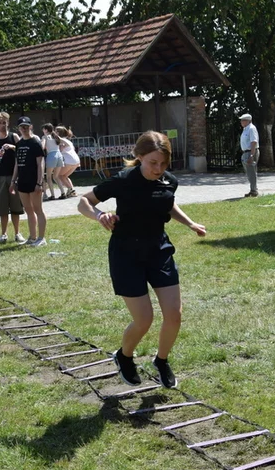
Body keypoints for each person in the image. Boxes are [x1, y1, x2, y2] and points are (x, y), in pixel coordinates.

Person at [76, 131, 207, 388]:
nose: (158, 169)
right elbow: (84, 202)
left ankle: (161, 360)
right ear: (139, 157)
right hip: (127, 255)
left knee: (174, 315)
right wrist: (99, 215)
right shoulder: (124, 180)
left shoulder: (169, 181)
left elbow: (167, 204)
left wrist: (190, 223)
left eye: (163, 163)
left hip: (159, 251)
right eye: (152, 163)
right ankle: (124, 356)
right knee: (144, 319)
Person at [0, 112, 25, 244]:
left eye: (4, 122)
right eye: (0, 123)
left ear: (8, 123)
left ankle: (18, 233)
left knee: (16, 206)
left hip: (14, 176)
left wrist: (13, 147)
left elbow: (22, 150)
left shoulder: (14, 136)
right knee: (2, 207)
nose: (2, 125)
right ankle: (3, 234)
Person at [10, 117, 47, 247]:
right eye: (21, 126)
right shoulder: (19, 144)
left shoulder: (35, 142)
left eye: (26, 126)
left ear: (31, 126)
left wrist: (39, 182)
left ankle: (41, 238)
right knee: (28, 210)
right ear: (18, 128)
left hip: (34, 181)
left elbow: (40, 164)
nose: (24, 128)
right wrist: (13, 181)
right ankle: (32, 237)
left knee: (38, 209)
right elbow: (16, 164)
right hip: (22, 181)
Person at [54, 126, 79, 198]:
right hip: (76, 160)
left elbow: (61, 150)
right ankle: (72, 191)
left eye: (55, 131)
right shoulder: (68, 141)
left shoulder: (62, 141)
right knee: (64, 176)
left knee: (59, 175)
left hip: (69, 160)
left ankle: (71, 190)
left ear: (58, 133)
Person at [239, 113, 259, 197]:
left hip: (250, 152)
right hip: (245, 152)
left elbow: (254, 142)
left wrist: (251, 155)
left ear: (248, 121)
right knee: (249, 173)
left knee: (251, 173)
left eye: (243, 120)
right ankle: (252, 189)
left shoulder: (251, 128)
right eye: (241, 120)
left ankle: (254, 191)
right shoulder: (245, 129)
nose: (241, 122)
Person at [41, 123, 62, 200]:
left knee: (49, 177)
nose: (42, 130)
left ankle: (52, 195)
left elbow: (42, 146)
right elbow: (62, 143)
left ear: (46, 130)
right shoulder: (56, 136)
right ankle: (63, 193)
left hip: (51, 156)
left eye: (43, 129)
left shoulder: (45, 137)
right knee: (56, 176)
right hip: (59, 155)